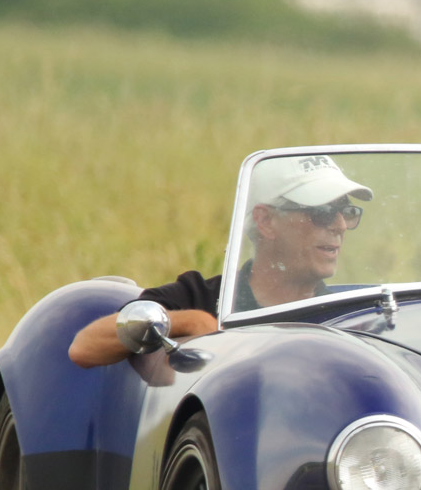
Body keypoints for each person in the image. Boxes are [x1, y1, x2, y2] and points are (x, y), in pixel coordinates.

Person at [68, 154, 373, 367]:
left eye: (347, 212)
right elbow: (85, 348)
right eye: (321, 212)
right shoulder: (201, 297)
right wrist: (191, 323)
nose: (340, 225)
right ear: (265, 221)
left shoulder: (349, 316)